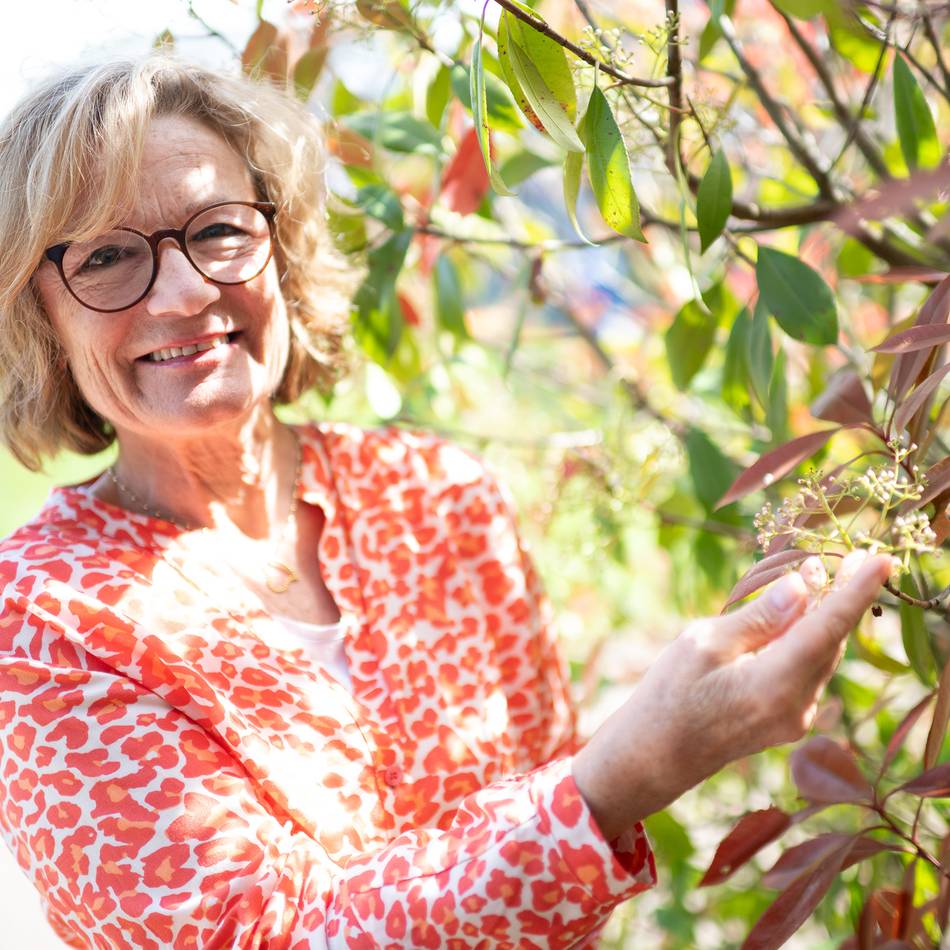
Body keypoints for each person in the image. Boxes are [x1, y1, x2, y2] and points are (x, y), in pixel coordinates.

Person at [0, 54, 892, 949]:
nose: (189, 288)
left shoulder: (438, 497)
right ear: (38, 314)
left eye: (221, 230)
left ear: (280, 244)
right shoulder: (43, 620)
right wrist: (628, 772)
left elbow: (566, 904)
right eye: (109, 255)